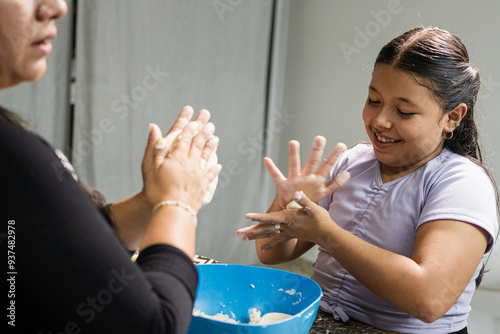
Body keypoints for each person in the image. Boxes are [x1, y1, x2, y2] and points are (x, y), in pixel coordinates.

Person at [237, 27, 498, 334]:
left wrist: (328, 234)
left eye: (403, 111)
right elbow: (272, 252)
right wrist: (288, 202)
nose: (380, 121)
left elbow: (429, 299)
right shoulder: (352, 162)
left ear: (452, 117)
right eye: (374, 100)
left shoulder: (461, 183)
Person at [0, 0, 221, 333]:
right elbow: (153, 326)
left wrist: (151, 201)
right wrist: (178, 204)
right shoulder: (11, 155)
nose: (58, 7)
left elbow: (59, 246)